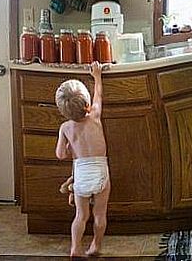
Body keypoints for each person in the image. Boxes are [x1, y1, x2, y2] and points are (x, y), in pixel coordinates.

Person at [55, 61, 110, 257]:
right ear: (87, 105)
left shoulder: (66, 128)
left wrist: (70, 147)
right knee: (99, 214)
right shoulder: (94, 116)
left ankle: (76, 247)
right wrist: (97, 76)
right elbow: (99, 95)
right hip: (100, 171)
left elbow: (61, 155)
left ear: (63, 111)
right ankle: (96, 245)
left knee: (81, 215)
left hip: (82, 174)